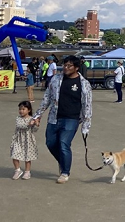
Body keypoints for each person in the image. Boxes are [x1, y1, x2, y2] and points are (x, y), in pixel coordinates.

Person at [33, 55, 92, 184]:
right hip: (54, 117)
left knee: (64, 143)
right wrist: (37, 115)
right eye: (64, 65)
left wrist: (86, 125)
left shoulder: (84, 84)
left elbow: (87, 105)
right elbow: (46, 98)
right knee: (50, 143)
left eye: (69, 65)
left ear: (76, 68)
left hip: (72, 119)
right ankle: (63, 161)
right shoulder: (56, 79)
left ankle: (65, 172)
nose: (65, 67)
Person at [11, 101, 39, 179]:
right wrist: (29, 124)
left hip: (28, 140)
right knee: (14, 154)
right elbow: (20, 125)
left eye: (23, 109)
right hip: (18, 139)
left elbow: (34, 130)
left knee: (28, 156)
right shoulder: (18, 118)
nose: (21, 111)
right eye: (20, 109)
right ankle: (17, 170)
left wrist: (36, 124)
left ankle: (27, 172)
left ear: (29, 110)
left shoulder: (31, 119)